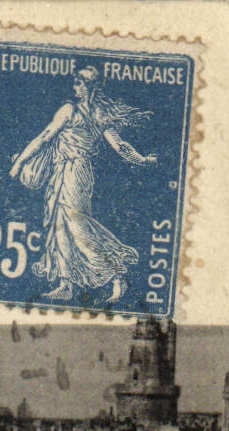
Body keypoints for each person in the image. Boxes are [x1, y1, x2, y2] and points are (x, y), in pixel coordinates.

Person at [8, 66, 159, 304]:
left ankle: (117, 272)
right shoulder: (91, 112)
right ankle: (67, 283)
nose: (74, 88)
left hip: (74, 172)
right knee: (60, 225)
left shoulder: (76, 111)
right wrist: (141, 159)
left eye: (78, 83)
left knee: (77, 226)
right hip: (67, 172)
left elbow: (46, 136)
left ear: (89, 87)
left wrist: (18, 163)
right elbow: (118, 146)